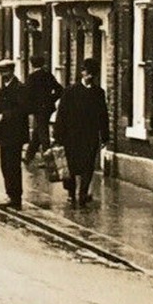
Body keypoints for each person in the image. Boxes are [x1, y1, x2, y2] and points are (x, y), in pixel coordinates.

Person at [53, 56, 109, 206]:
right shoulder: (70, 91)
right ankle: (71, 193)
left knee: (88, 165)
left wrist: (104, 136)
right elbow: (62, 114)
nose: (89, 76)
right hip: (71, 135)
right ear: (82, 73)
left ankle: (83, 193)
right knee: (71, 166)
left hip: (90, 135)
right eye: (86, 72)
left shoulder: (98, 93)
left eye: (92, 74)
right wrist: (58, 135)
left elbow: (103, 115)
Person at [0, 58, 29, 210]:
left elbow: (22, 110)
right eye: (1, 72)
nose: (3, 75)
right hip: (4, 134)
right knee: (4, 165)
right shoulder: (1, 90)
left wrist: (4, 116)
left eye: (5, 72)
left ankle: (16, 197)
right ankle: (9, 194)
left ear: (12, 71)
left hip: (15, 133)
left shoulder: (20, 88)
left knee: (13, 166)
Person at [22, 53, 63, 164]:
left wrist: (28, 107)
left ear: (32, 65)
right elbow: (60, 90)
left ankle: (48, 160)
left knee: (43, 132)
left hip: (38, 109)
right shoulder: (48, 75)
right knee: (38, 130)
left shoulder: (32, 77)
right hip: (48, 108)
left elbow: (26, 95)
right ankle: (29, 156)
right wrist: (51, 99)